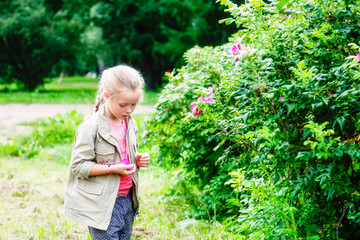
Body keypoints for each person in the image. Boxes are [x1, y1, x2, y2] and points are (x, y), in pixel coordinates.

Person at [64, 65, 150, 240]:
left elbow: (123, 153)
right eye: (123, 105)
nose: (129, 110)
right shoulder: (91, 127)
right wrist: (113, 169)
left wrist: (137, 157)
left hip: (127, 198)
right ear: (107, 96)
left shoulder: (130, 123)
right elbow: (79, 166)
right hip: (102, 203)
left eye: (134, 104)